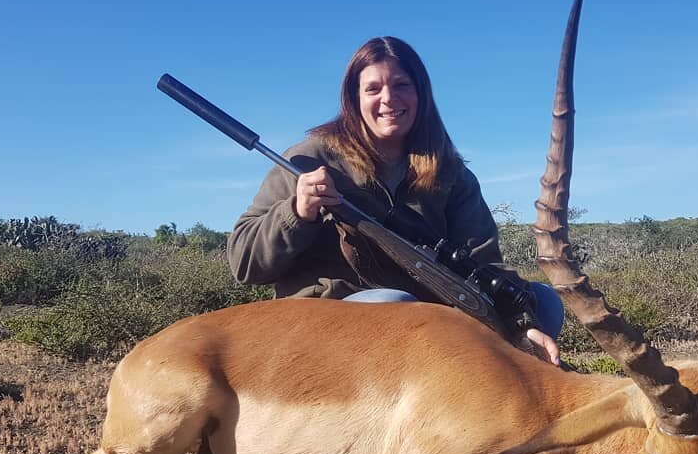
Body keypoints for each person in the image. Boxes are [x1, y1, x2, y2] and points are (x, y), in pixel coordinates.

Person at [226, 36, 564, 363]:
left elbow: (481, 261)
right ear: (353, 99)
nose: (388, 99)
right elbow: (244, 263)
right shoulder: (307, 159)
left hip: (422, 311)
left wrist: (520, 322)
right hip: (330, 315)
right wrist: (297, 212)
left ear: (420, 94)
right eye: (373, 88)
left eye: (401, 85)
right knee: (393, 305)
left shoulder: (451, 173)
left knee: (545, 304)